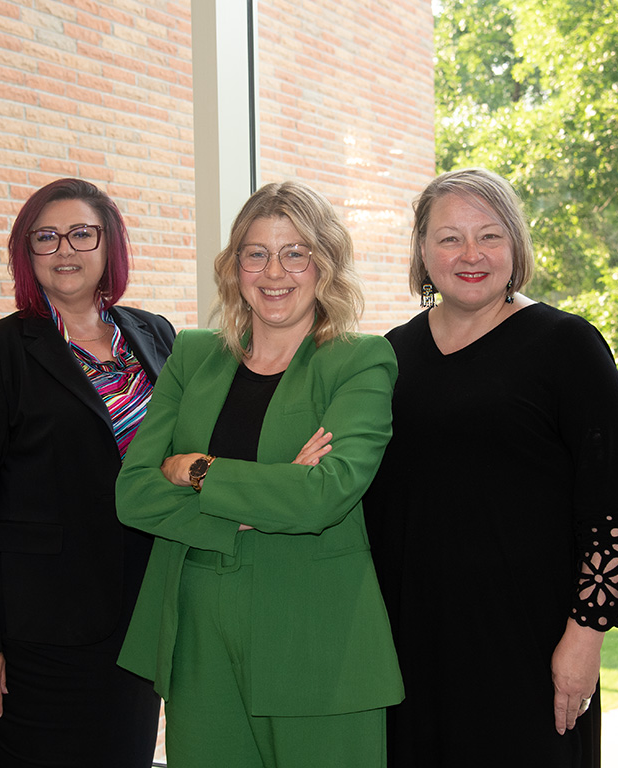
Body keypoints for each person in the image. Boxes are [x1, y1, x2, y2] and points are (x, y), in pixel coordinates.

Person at [364, 167, 618, 767]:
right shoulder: (390, 355)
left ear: (517, 245)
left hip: (531, 648)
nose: (470, 254)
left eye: (491, 235)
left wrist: (583, 640)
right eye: (449, 238)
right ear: (422, 252)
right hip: (409, 648)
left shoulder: (567, 347)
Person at [114, 180, 404, 767]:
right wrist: (254, 506)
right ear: (235, 266)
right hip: (198, 635)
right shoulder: (193, 355)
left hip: (317, 633)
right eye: (257, 252)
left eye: (296, 252)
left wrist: (197, 469)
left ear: (325, 263)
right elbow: (134, 493)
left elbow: (322, 497)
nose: (276, 271)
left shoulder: (359, 360)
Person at [0, 178, 174, 767]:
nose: (65, 250)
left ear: (108, 245)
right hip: (34, 637)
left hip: (138, 620)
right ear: (27, 252)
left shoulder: (155, 334)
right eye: (46, 237)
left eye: (82, 233)